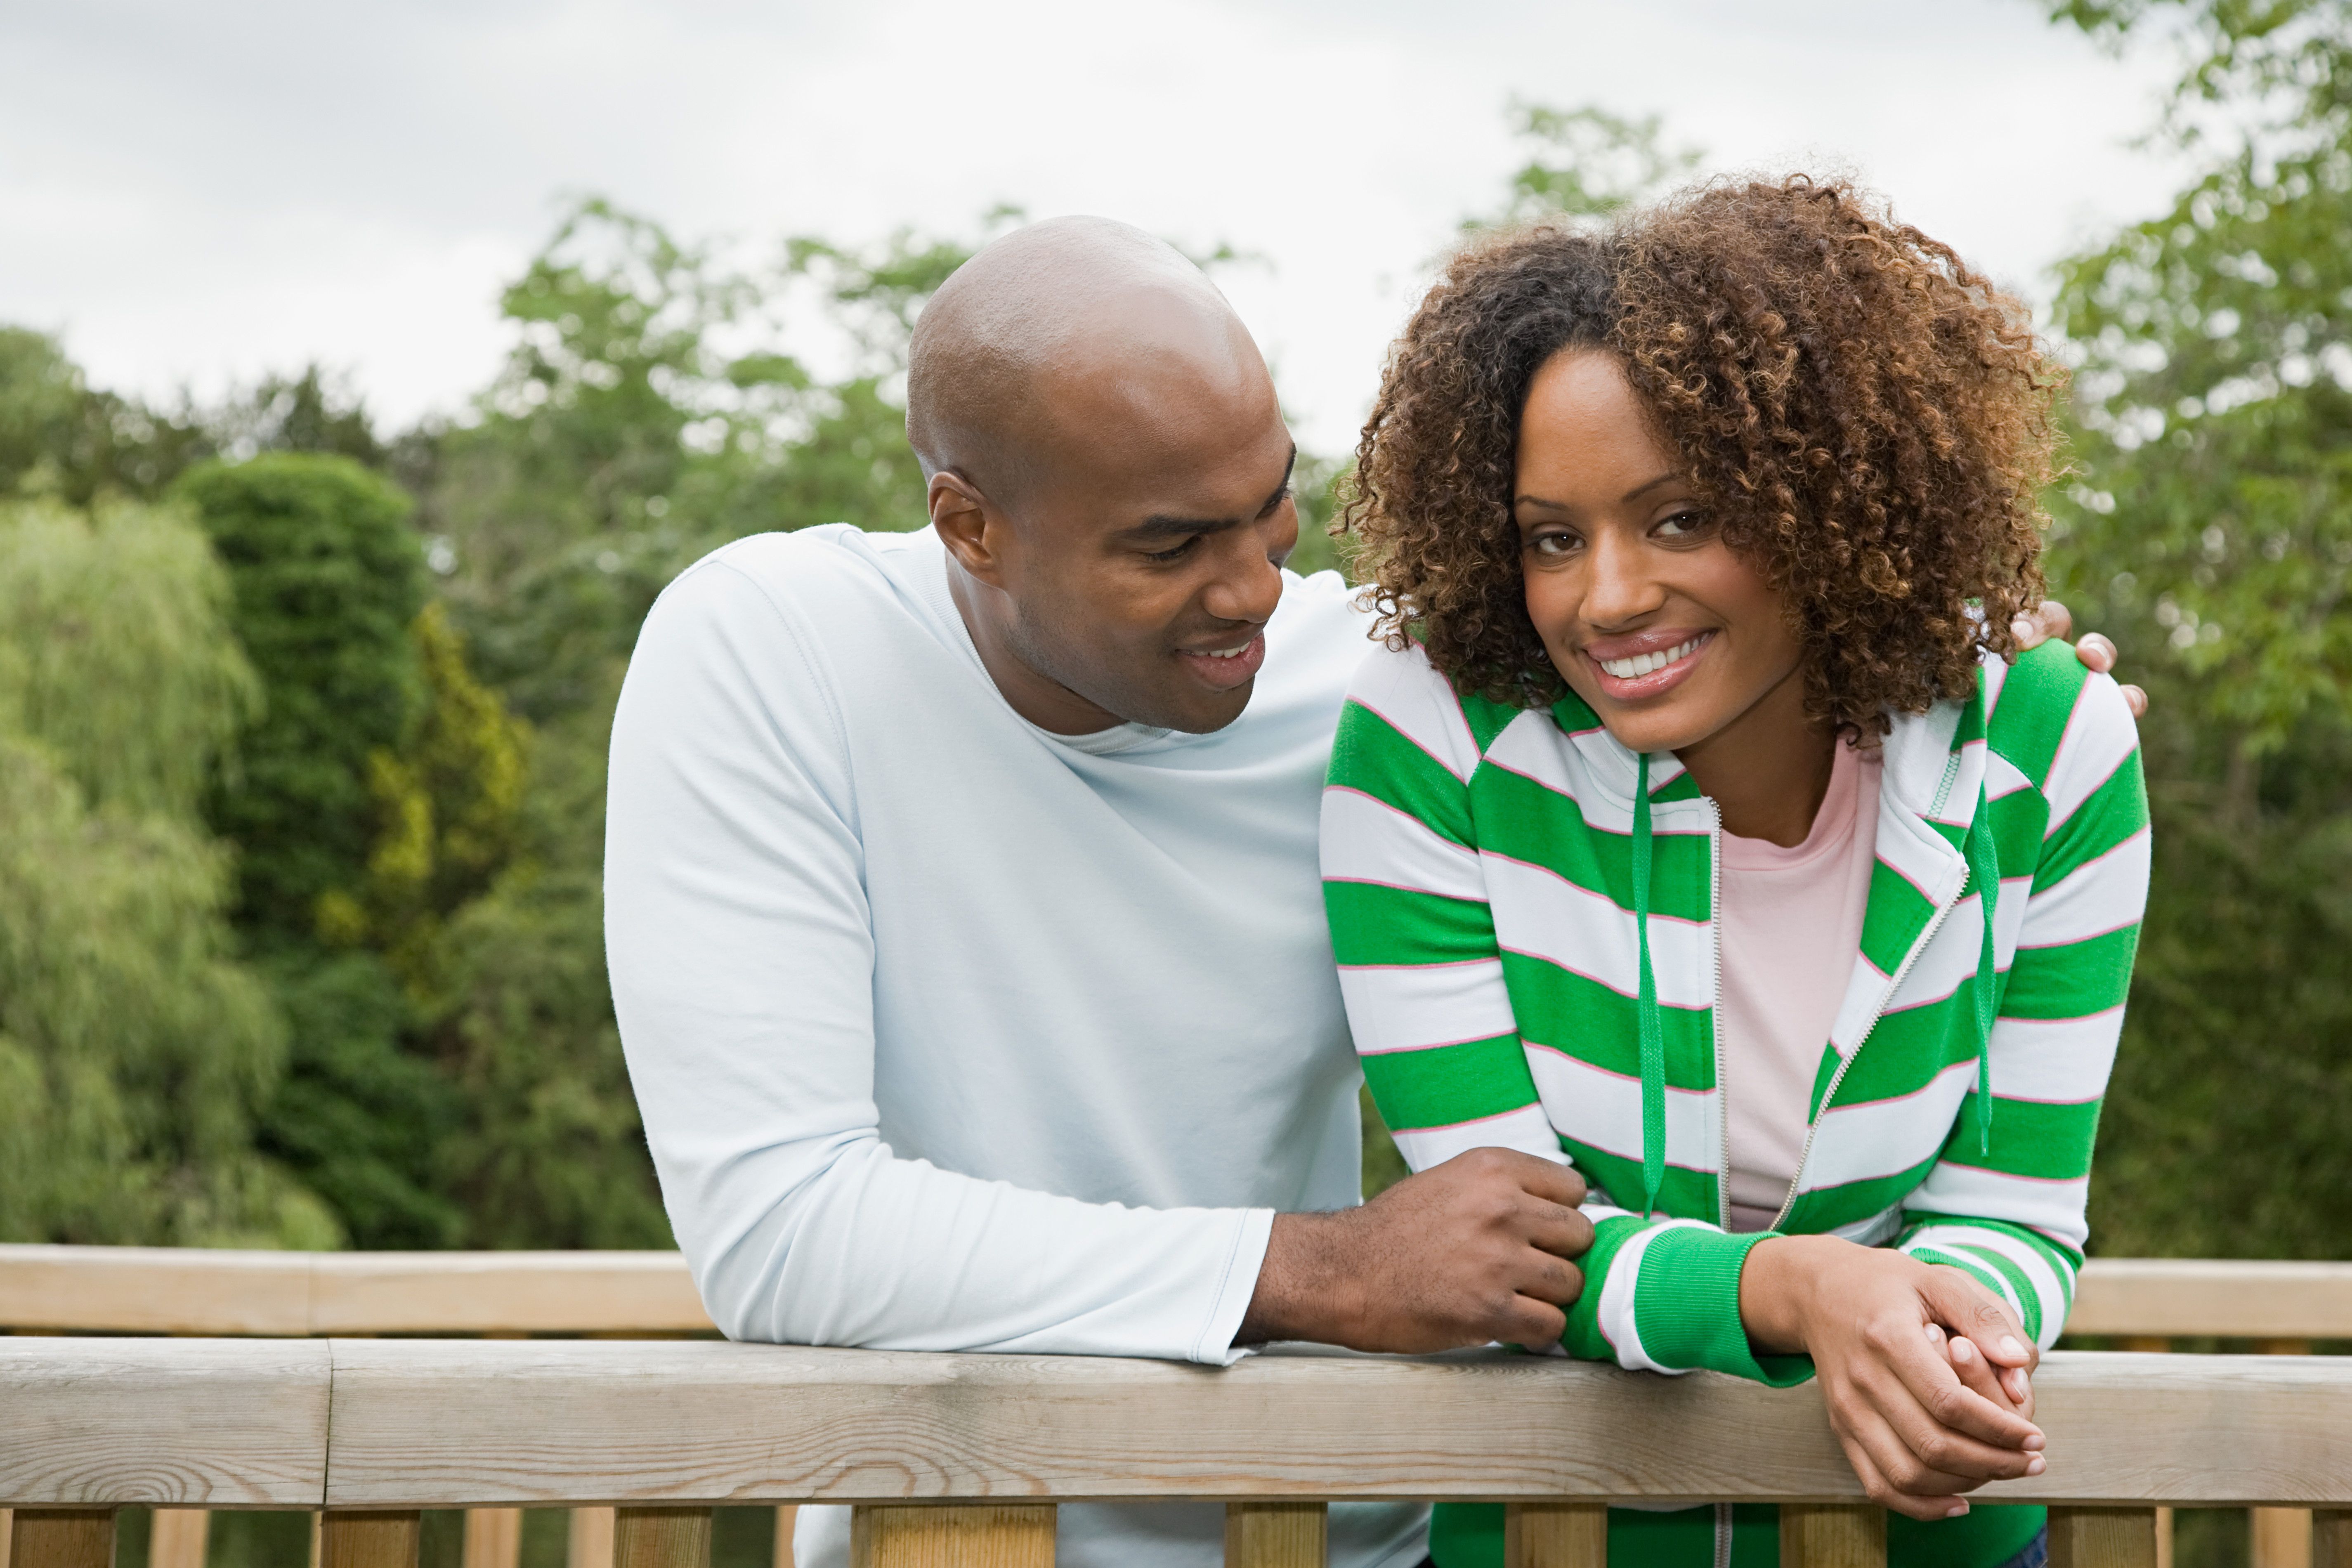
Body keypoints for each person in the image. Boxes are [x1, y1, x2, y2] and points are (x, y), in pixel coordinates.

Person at [606, 214, 2138, 1568]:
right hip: (957, 1523)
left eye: (1271, 507)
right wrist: (1323, 1265)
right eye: (1171, 544)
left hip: (1348, 1519)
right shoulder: (774, 652)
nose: (1257, 590)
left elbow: (1734, 632)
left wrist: (1989, 690)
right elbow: (785, 1230)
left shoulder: (1390, 685)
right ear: (970, 526)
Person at [1322, 178, 2148, 1568]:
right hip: (1553, 1538)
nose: (1607, 596)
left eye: (1682, 516)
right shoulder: (1431, 745)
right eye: (1551, 536)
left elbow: (2015, 1211)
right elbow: (1505, 1244)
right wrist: (1794, 1288)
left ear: (1824, 499)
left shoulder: (2048, 746)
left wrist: (1943, 1333)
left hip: (1922, 1535)